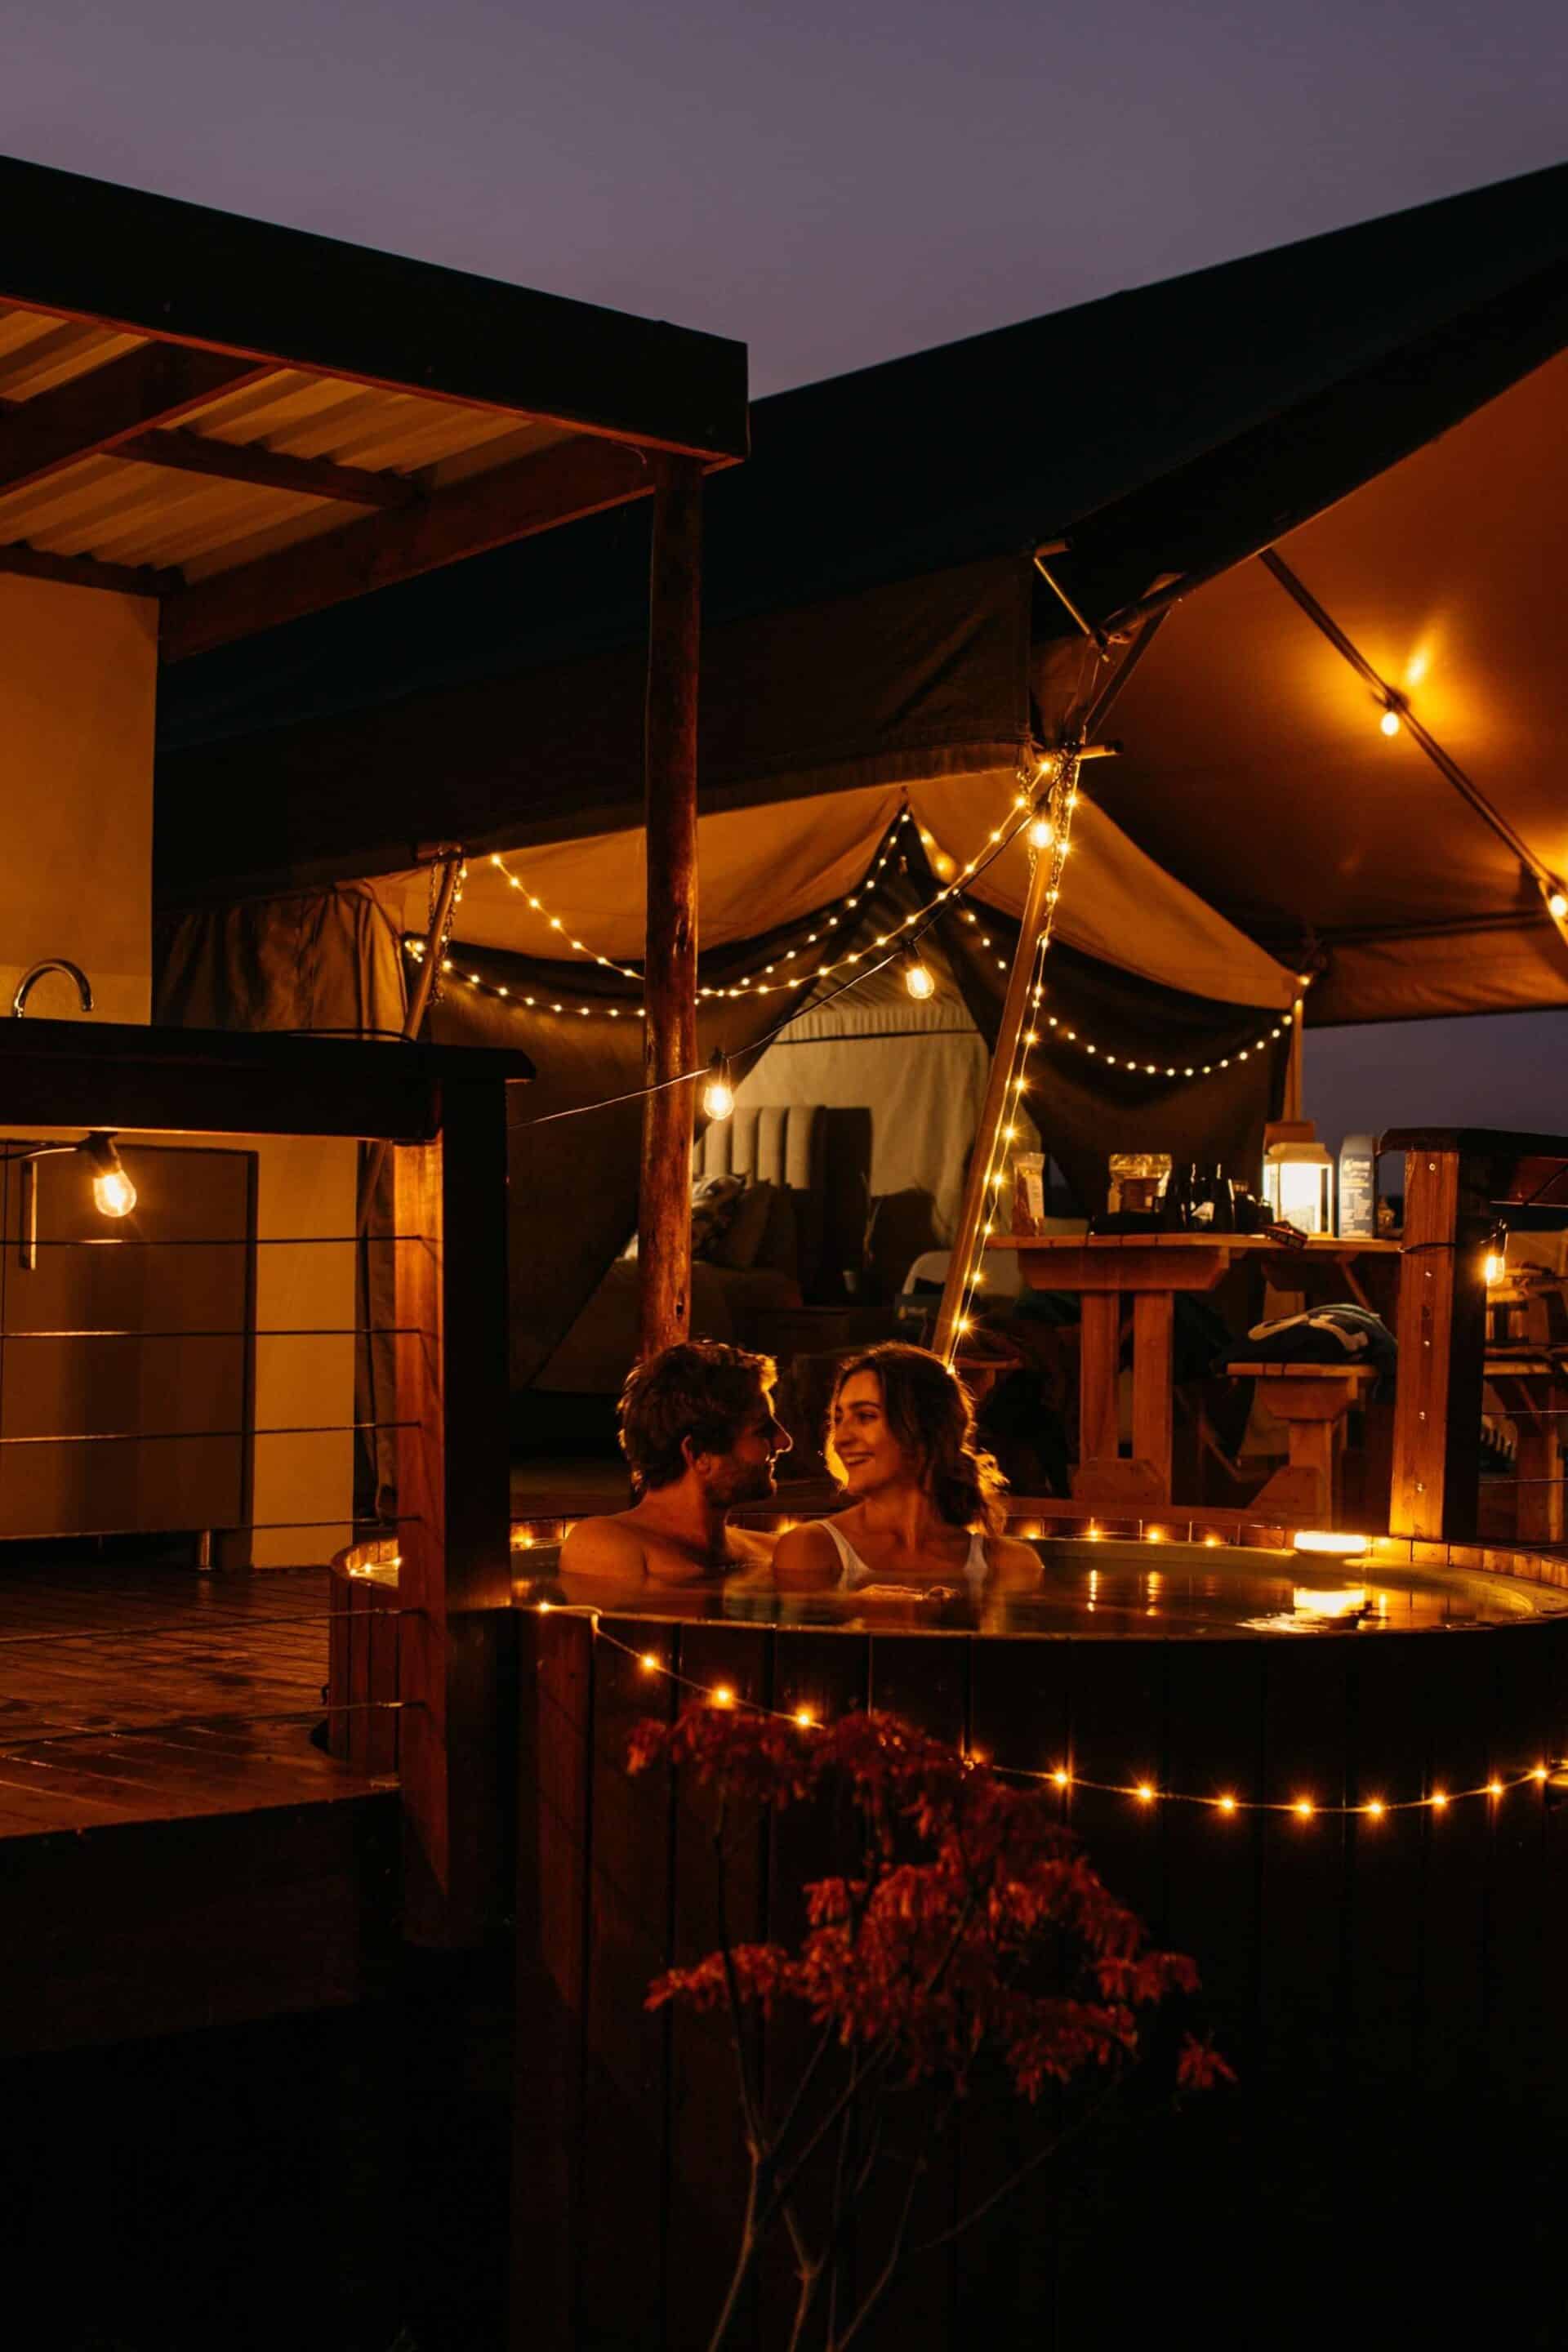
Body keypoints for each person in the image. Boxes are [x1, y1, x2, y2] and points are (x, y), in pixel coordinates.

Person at [771, 1342, 1039, 1597]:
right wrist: (851, 1604)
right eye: (838, 1419)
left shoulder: (1009, 1564)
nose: (841, 1438)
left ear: (924, 1428)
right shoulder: (812, 1550)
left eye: (865, 1417)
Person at [559, 1339, 791, 1586]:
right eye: (762, 1430)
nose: (784, 1441)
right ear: (698, 1453)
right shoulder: (605, 1545)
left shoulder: (770, 1552)